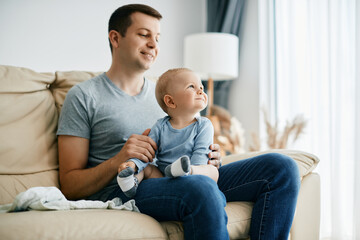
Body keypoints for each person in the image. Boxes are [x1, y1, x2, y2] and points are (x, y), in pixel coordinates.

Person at [57, 4, 300, 240]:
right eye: (144, 35)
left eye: (158, 38)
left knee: (281, 168)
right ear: (115, 38)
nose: (153, 44)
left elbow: (193, 143)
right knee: (200, 188)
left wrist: (210, 156)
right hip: (133, 186)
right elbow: (69, 185)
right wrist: (118, 160)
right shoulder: (84, 96)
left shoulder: (168, 94)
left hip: (187, 173)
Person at [117, 68, 219, 198]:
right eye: (191, 87)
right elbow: (146, 152)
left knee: (212, 171)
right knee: (147, 168)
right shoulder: (160, 126)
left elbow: (200, 159)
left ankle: (185, 170)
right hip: (163, 176)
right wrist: (133, 164)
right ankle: (130, 182)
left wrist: (192, 170)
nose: (200, 91)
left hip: (193, 173)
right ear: (170, 101)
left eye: (201, 87)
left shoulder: (204, 125)